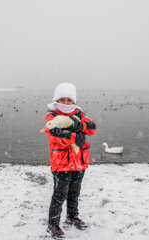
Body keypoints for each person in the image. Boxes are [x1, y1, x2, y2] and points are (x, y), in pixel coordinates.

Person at [43, 83, 96, 239]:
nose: (66, 103)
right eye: (62, 99)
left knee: (74, 193)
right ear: (56, 100)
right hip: (62, 164)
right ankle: (53, 224)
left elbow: (92, 127)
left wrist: (81, 126)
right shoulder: (52, 116)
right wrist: (74, 137)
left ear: (73, 101)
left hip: (79, 162)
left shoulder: (79, 114)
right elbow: (53, 132)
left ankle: (72, 216)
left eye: (69, 100)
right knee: (59, 195)